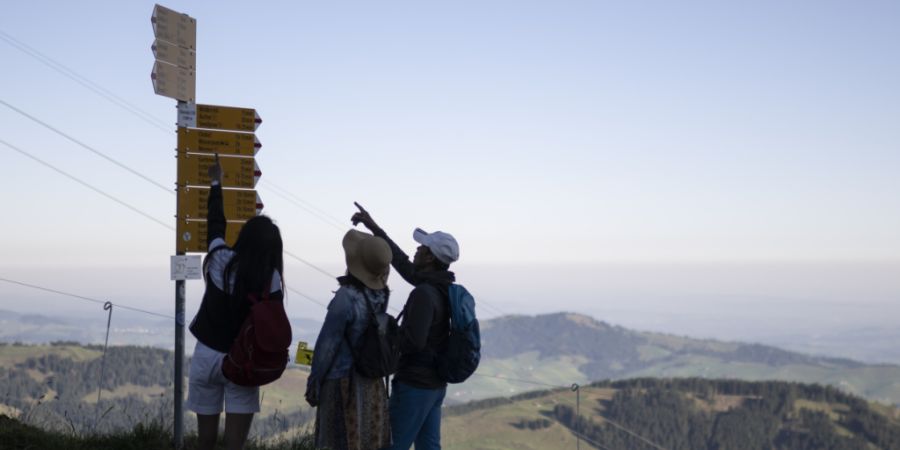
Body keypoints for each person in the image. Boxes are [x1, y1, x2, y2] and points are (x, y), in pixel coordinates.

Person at [186, 155, 284, 450]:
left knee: (204, 442)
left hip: (206, 356)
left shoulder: (219, 260)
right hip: (243, 361)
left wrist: (216, 182)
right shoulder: (272, 278)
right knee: (234, 445)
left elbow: (215, 224)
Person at [351, 202, 459, 450]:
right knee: (429, 446)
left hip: (415, 384)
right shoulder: (441, 286)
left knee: (393, 445)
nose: (416, 250)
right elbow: (402, 262)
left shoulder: (424, 293)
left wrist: (386, 333)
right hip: (434, 384)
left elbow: (414, 342)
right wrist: (374, 227)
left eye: (421, 248)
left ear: (430, 257)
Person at [305, 229, 393, 450]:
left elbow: (328, 344)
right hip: (371, 382)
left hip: (342, 383)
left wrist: (314, 381)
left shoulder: (347, 296)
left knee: (338, 440)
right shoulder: (381, 294)